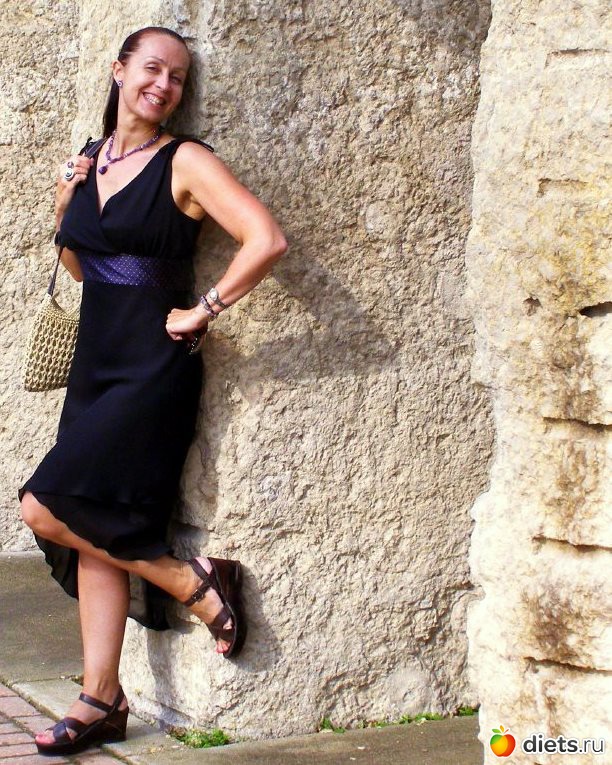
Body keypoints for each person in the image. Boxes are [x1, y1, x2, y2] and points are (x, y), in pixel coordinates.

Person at [17, 26, 287, 757]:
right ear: (119, 71)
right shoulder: (92, 156)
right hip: (94, 361)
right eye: (152, 69)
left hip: (151, 364)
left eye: (177, 77)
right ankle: (100, 698)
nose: (163, 85)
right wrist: (64, 203)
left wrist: (206, 308)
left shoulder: (186, 160)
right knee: (96, 522)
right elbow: (83, 268)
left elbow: (265, 238)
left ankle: (192, 582)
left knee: (46, 505)